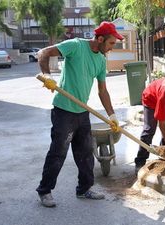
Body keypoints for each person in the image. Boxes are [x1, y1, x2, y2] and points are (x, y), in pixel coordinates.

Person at [36, 21, 123, 207]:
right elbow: (43, 53)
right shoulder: (75, 46)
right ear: (100, 39)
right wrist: (47, 76)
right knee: (58, 152)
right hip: (63, 111)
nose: (111, 49)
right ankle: (45, 190)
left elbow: (102, 91)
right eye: (110, 44)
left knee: (85, 152)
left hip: (82, 111)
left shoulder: (100, 60)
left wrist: (112, 115)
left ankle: (84, 189)